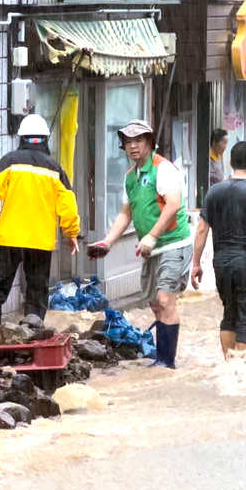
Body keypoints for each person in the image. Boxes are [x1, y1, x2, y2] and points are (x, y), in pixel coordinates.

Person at [90, 120, 192, 369]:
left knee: (166, 300)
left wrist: (152, 235)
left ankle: (167, 363)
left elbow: (173, 204)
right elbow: (126, 213)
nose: (133, 146)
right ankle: (161, 356)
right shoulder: (130, 177)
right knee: (155, 304)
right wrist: (108, 241)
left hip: (173, 244)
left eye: (138, 141)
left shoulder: (163, 169)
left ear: (149, 143)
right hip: (150, 249)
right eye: (128, 142)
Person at [0, 114, 81, 333]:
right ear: (44, 139)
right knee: (36, 287)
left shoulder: (9, 161)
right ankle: (32, 329)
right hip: (40, 240)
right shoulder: (54, 168)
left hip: (9, 238)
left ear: (21, 137)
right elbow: (68, 204)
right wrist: (71, 234)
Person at [191, 141, 246, 358]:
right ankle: (240, 376)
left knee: (229, 315)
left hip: (221, 263)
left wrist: (195, 264)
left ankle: (228, 366)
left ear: (230, 162)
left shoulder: (214, 192)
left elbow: (201, 230)